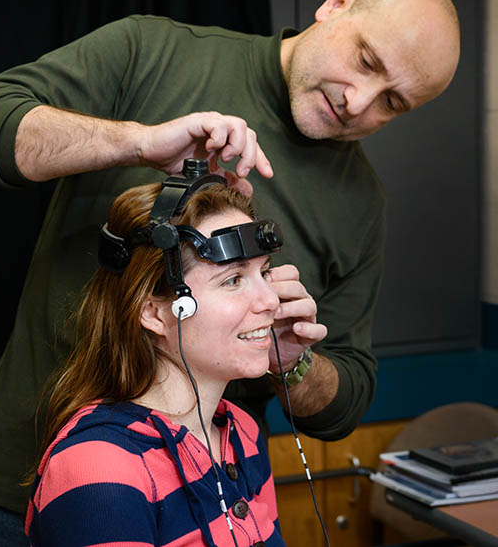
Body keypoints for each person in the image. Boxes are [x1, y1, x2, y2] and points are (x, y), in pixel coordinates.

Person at [0, 0, 461, 544]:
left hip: (217, 499)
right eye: (365, 61)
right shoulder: (153, 51)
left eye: (392, 102)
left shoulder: (361, 202)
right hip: (30, 485)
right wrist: (135, 142)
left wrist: (294, 362)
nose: (357, 102)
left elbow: (345, 401)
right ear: (337, 4)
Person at [27, 174, 312, 546]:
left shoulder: (242, 434)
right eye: (232, 280)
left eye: (264, 272)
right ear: (156, 313)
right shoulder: (98, 466)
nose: (270, 302)